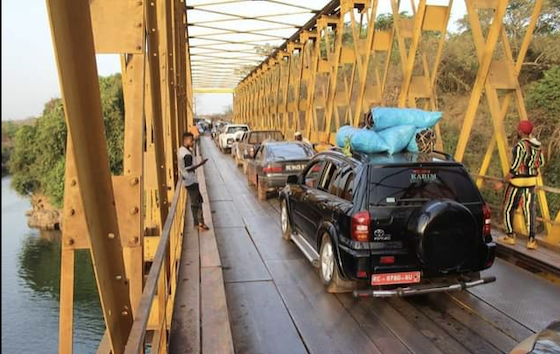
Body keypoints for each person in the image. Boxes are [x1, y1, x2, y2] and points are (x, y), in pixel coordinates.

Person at [500, 120, 544, 250]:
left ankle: (510, 236)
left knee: (508, 207)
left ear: (520, 131)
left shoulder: (520, 146)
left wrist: (503, 181)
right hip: (531, 181)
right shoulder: (538, 146)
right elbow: (541, 163)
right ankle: (531, 240)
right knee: (529, 209)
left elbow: (515, 167)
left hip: (517, 181)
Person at [178, 132, 210, 231]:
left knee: (195, 201)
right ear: (186, 140)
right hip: (191, 180)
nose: (193, 142)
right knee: (198, 202)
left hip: (187, 180)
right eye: (191, 140)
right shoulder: (186, 154)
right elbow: (188, 168)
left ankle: (197, 223)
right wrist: (201, 164)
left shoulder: (181, 150)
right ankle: (200, 223)